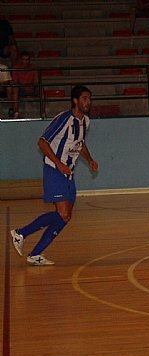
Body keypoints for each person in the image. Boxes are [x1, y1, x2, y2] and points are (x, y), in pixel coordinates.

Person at [10, 85, 97, 266]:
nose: (88, 102)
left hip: (68, 173)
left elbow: (79, 144)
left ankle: (35, 254)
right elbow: (42, 142)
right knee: (63, 213)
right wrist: (59, 164)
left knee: (65, 216)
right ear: (75, 100)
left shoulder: (85, 121)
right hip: (54, 170)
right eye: (84, 98)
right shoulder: (64, 119)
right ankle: (21, 233)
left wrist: (89, 159)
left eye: (89, 98)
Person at [10, 50, 39, 119]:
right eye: (23, 60)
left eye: (27, 60)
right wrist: (24, 86)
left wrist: (31, 86)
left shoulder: (33, 68)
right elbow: (15, 82)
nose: (25, 61)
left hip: (31, 87)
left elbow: (36, 81)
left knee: (41, 89)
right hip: (21, 88)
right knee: (15, 88)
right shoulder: (16, 68)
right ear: (21, 60)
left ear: (29, 60)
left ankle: (43, 112)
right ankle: (16, 112)